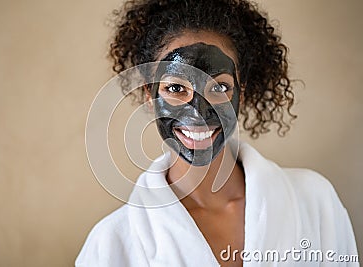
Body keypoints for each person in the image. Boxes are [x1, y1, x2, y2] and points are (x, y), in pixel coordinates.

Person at [76, 0, 359, 266]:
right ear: (151, 97)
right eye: (176, 88)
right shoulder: (110, 244)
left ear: (242, 96)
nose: (199, 111)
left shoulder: (314, 200)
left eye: (219, 87)